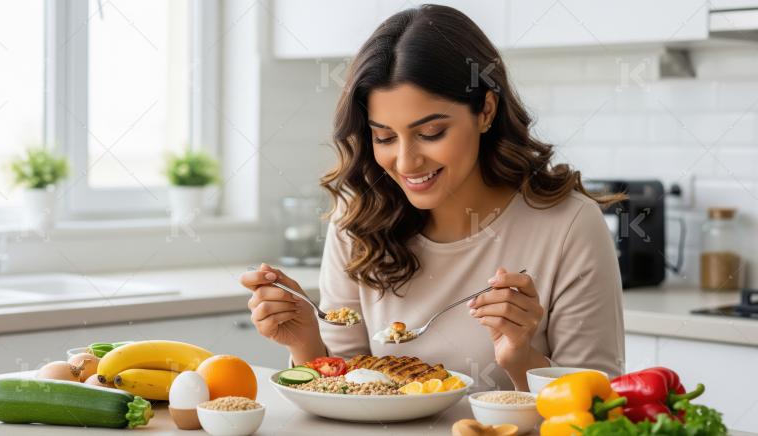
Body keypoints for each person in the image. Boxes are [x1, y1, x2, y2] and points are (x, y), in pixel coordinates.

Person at [240, 4, 625, 391]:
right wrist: (305, 342)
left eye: (431, 132)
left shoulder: (569, 225)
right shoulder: (358, 218)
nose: (406, 162)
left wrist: (520, 358)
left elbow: (596, 408)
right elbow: (345, 388)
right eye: (385, 137)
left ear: (485, 111)